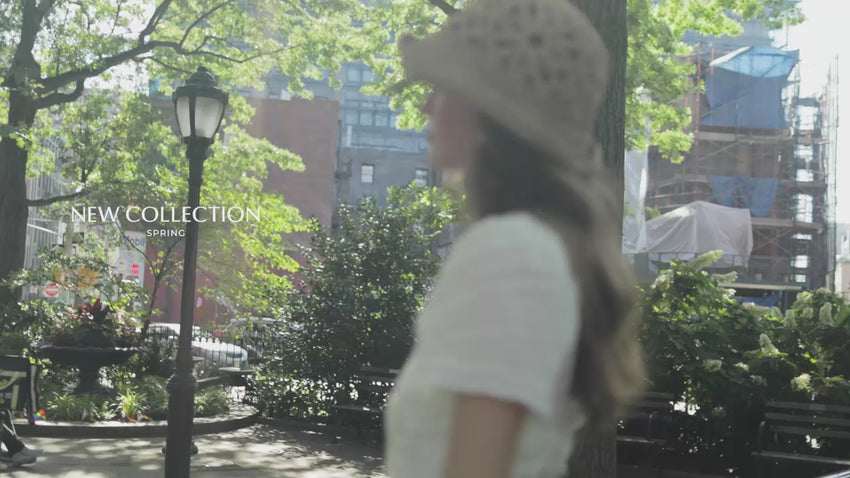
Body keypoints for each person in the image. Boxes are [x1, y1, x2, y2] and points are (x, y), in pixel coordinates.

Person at [384, 0, 646, 476]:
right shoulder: (537, 248)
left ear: (488, 113)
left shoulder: (509, 252)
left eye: (444, 87)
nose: (427, 104)